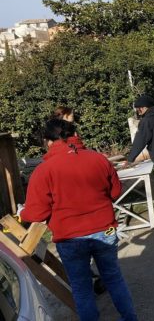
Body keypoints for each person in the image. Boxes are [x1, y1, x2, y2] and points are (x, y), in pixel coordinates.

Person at [21, 119, 137, 321]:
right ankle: (130, 318)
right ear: (74, 135)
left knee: (82, 288)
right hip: (106, 230)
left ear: (49, 141)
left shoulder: (43, 171)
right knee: (114, 278)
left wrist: (22, 213)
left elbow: (35, 214)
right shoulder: (98, 159)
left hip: (70, 238)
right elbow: (115, 191)